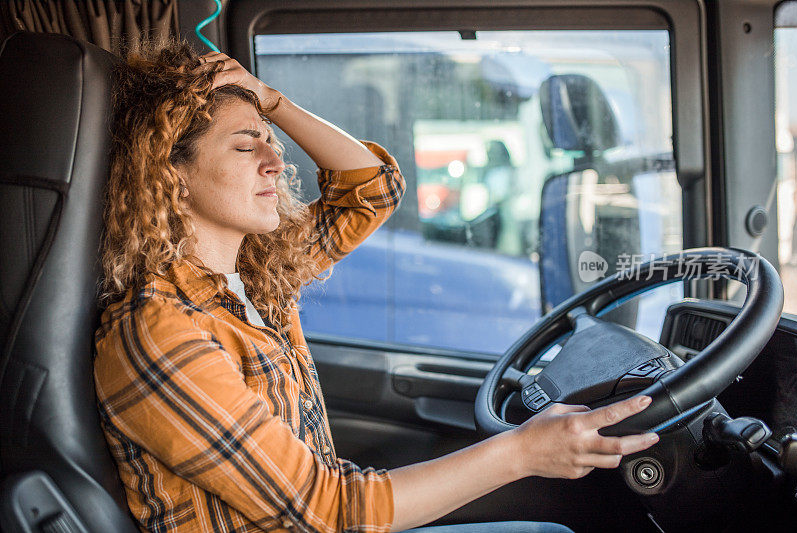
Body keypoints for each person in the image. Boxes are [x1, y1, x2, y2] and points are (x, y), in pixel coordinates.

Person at [93, 38, 659, 533]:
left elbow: (372, 188)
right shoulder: (157, 331)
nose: (275, 158)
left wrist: (274, 102)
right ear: (170, 173)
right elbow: (325, 509)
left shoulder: (258, 276)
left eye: (271, 140)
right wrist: (523, 451)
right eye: (246, 146)